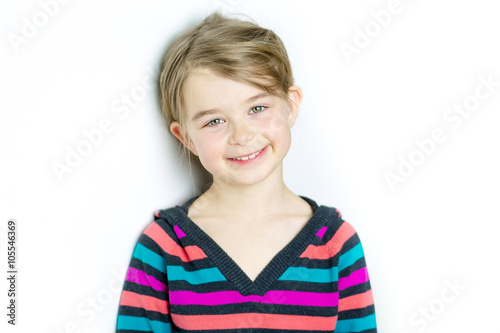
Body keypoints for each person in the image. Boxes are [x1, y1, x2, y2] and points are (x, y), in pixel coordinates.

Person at [116, 11, 377, 333]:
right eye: (214, 121)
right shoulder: (165, 245)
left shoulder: (336, 243)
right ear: (185, 138)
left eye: (257, 108)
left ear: (291, 104)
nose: (241, 136)